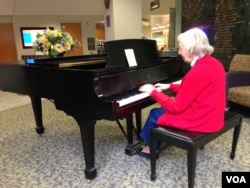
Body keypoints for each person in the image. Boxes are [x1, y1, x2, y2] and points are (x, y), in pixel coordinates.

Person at [138, 28, 226, 158]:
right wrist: (170, 85)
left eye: (181, 48)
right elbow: (194, 89)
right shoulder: (214, 63)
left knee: (154, 114)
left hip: (201, 120)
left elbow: (175, 106)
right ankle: (155, 139)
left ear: (192, 49)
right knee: (162, 110)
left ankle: (150, 149)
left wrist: (153, 91)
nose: (179, 52)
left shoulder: (197, 72)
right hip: (213, 115)